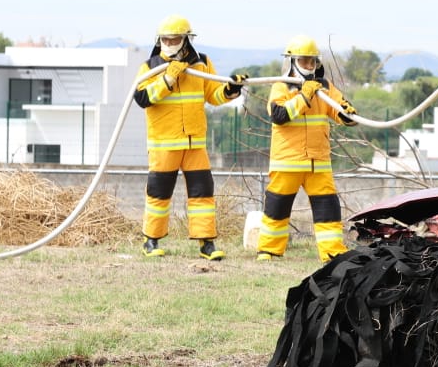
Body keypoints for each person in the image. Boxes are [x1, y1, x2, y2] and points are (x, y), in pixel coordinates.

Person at [132, 15, 246, 259]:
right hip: (164, 145)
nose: (170, 43)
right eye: (165, 39)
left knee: (203, 194)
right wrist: (167, 79)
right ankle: (151, 241)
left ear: (185, 40)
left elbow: (213, 95)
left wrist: (230, 90)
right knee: (158, 194)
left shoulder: (202, 64)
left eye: (174, 39)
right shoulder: (150, 67)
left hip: (195, 143)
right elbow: (142, 98)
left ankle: (207, 244)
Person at [256, 35, 358, 263]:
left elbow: (339, 110)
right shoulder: (280, 87)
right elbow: (279, 116)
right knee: (277, 206)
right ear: (292, 62)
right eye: (304, 61)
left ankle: (332, 252)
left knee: (328, 210)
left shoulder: (324, 88)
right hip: (287, 162)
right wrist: (304, 96)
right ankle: (269, 250)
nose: (309, 66)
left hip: (318, 162)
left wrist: (347, 114)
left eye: (313, 62)